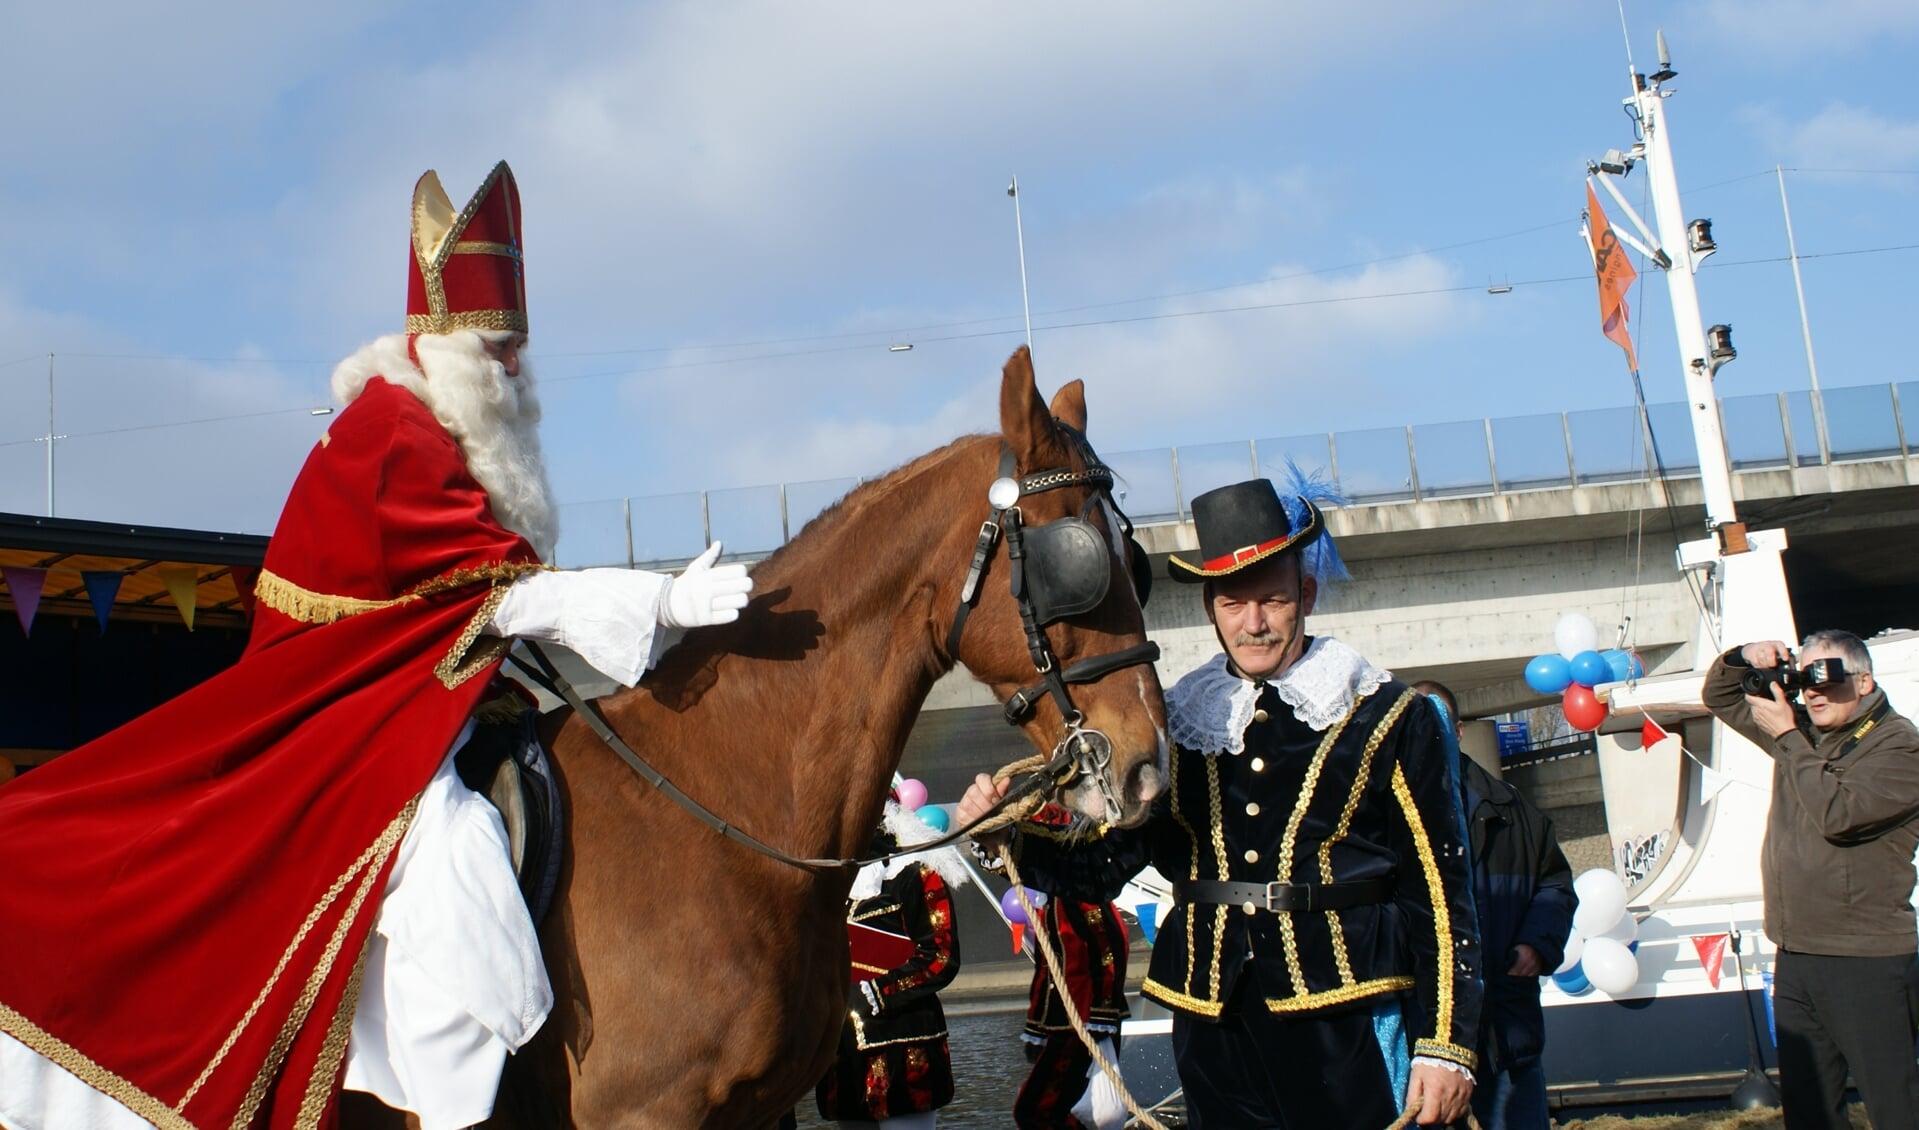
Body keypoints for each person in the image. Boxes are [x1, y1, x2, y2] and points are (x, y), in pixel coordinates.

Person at [0, 161, 752, 1130]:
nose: (513, 369)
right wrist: (660, 600)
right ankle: (445, 1106)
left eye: (519, 348)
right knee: (452, 848)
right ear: (433, 344)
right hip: (348, 724)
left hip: (430, 704)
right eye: (494, 347)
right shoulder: (388, 435)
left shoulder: (453, 435)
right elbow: (486, 593)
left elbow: (478, 600)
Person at [960, 478, 1483, 1129]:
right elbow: (1102, 867)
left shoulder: (1387, 714)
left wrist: (1445, 1046)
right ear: (1211, 606)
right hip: (1209, 1016)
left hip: (1345, 1012)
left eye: (1271, 600)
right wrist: (1002, 837)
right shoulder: (1178, 721)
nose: (1254, 623)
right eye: (1234, 603)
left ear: (1305, 596)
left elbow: (1440, 894)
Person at [1703, 629, 1919, 1130]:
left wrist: (1787, 737)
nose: (1813, 692)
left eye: (1828, 678)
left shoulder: (1900, 748)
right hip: (1798, 954)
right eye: (1804, 679)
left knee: (1895, 1109)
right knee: (1810, 1112)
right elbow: (1719, 695)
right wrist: (1744, 656)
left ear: (1864, 682)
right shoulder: (1805, 734)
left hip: (1866, 959)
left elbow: (1839, 814)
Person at [1413, 681, 1575, 1130]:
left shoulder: (1513, 810)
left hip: (1505, 1032)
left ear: (1460, 731)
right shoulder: (1376, 818)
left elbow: (1555, 884)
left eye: (1439, 722)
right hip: (1421, 1039)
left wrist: (1536, 943)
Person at [815, 798, 967, 1129]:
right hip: (845, 1058)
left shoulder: (916, 876)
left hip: (903, 1057)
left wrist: (877, 992)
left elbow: (941, 956)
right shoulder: (833, 887)